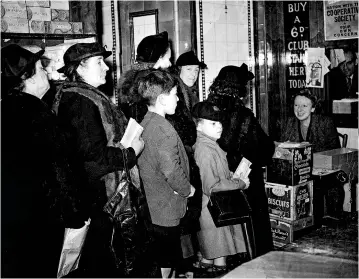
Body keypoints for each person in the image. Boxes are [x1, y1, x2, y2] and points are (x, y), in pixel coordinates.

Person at [52, 42, 150, 277]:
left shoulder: (79, 96)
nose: (106, 68)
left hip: (97, 199)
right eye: (98, 62)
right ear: (80, 68)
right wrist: (130, 152)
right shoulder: (80, 102)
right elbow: (93, 158)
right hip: (98, 202)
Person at [1, 44, 82, 277]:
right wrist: (75, 216)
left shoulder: (5, 108)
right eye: (41, 68)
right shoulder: (39, 114)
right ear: (28, 78)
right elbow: (59, 172)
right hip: (40, 221)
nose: (47, 73)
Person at [207, 64, 275, 257]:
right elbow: (263, 148)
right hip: (244, 180)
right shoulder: (243, 115)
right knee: (254, 228)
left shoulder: (207, 109)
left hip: (215, 176)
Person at [137, 69, 195, 278]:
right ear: (162, 99)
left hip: (152, 204)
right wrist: (188, 190)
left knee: (163, 257)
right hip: (165, 206)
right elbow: (171, 170)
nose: (178, 99)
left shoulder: (147, 122)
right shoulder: (163, 131)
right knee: (165, 261)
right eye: (175, 94)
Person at [192, 101, 248, 276]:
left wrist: (229, 175)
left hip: (211, 210)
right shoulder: (205, 149)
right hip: (213, 211)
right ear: (198, 126)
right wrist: (240, 183)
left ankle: (207, 263)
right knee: (220, 260)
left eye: (220, 122)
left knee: (211, 254)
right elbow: (213, 186)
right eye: (213, 123)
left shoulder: (209, 144)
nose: (219, 127)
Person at [166, 51, 207, 276]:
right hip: (181, 158)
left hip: (186, 156)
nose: (194, 74)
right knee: (185, 212)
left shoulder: (187, 90)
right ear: (179, 70)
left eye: (197, 70)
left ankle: (187, 261)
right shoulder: (178, 91)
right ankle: (184, 264)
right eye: (190, 69)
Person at [118, 31, 172, 123]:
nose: (170, 64)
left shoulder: (133, 80)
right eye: (168, 59)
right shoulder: (151, 83)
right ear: (159, 58)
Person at [282, 89, 341, 153]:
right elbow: (282, 148)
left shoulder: (325, 123)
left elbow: (335, 150)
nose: (299, 109)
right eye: (296, 105)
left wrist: (310, 147)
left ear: (312, 108)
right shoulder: (289, 122)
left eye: (304, 106)